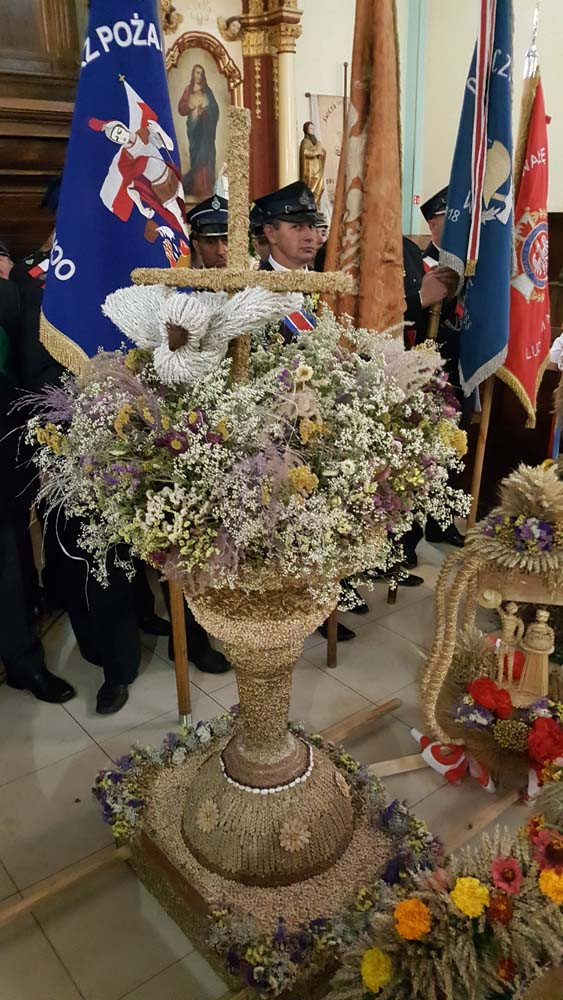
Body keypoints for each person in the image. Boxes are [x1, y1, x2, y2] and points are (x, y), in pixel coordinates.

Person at [251, 182, 356, 642]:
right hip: (276, 431)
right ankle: (287, 602)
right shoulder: (255, 291)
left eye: (313, 225)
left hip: (322, 424)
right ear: (270, 233)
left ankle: (322, 600)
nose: (310, 235)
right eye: (296, 227)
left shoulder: (323, 284)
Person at [402, 187, 465, 552]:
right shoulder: (417, 265)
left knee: (451, 454)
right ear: (433, 224)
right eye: (449, 219)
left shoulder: (469, 267)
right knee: (418, 459)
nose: (457, 226)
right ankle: (408, 539)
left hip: (455, 374)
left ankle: (441, 522)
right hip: (421, 377)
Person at [253, 181, 318, 272]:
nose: (309, 237)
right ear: (271, 234)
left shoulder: (325, 280)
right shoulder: (256, 281)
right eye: (297, 227)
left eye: (311, 226)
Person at [178, 64, 219, 199]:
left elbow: (215, 109)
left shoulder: (207, 91)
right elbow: (181, 108)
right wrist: (190, 106)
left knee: (205, 156)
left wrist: (206, 110)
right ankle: (194, 186)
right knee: (196, 156)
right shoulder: (188, 90)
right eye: (197, 73)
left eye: (201, 73)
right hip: (194, 129)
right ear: (193, 74)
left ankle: (205, 187)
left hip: (205, 131)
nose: (199, 76)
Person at [186, 195, 228, 269]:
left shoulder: (250, 277)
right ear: (197, 247)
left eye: (227, 240)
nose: (220, 251)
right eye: (210, 242)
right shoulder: (188, 277)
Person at [299, 122, 326, 206]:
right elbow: (306, 152)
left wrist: (321, 152)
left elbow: (323, 152)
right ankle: (311, 206)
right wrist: (316, 151)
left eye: (313, 129)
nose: (313, 130)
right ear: (306, 130)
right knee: (311, 189)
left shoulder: (315, 142)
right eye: (311, 128)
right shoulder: (305, 142)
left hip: (318, 169)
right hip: (310, 172)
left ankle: (315, 205)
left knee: (321, 188)